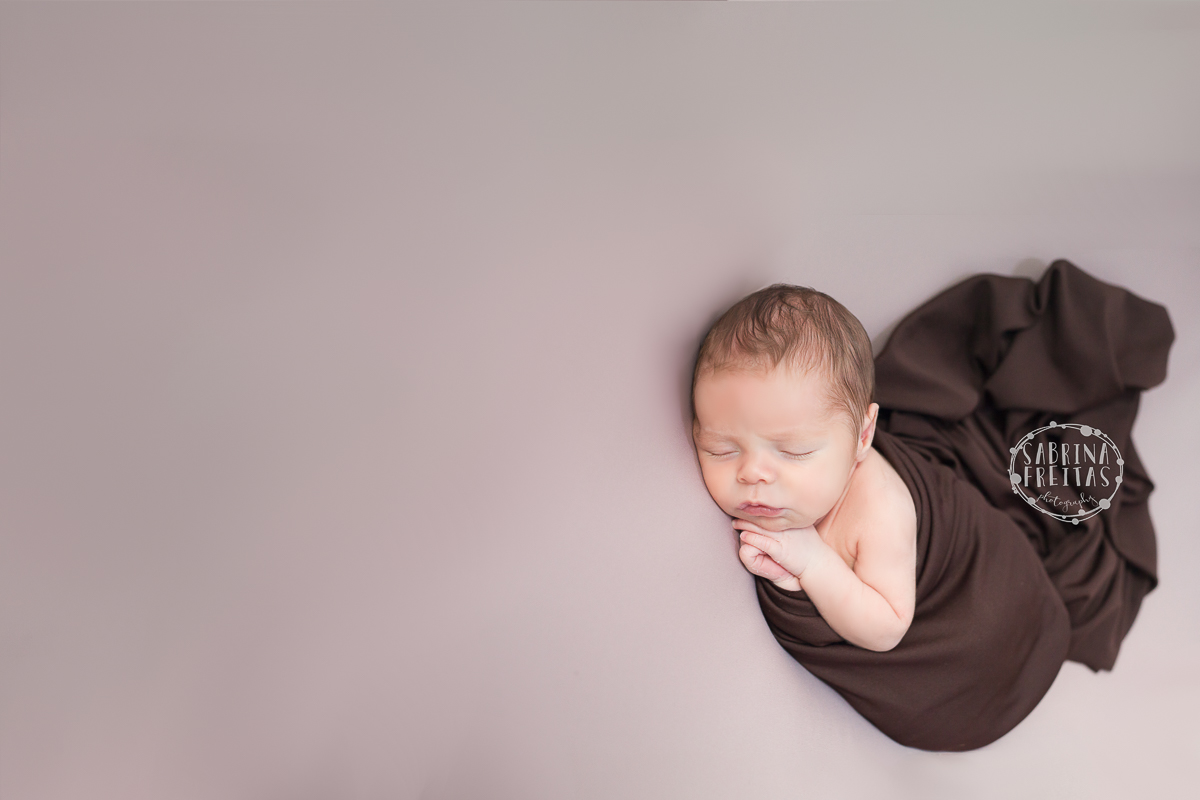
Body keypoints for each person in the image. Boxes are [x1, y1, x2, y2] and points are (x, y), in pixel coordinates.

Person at [688, 261, 1173, 751]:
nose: (752, 473)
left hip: (991, 626)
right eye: (721, 449)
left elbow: (886, 628)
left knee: (999, 622)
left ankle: (1029, 641)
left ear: (862, 437)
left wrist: (813, 563)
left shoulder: (879, 506)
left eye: (793, 452)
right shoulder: (787, 476)